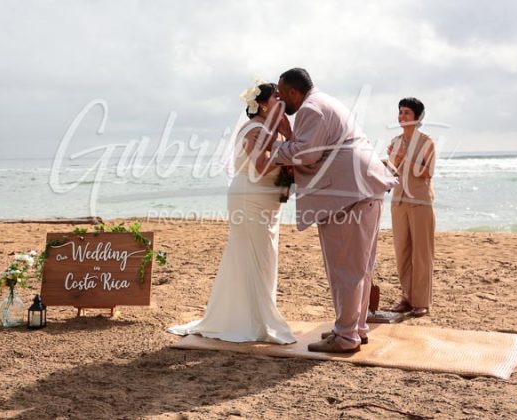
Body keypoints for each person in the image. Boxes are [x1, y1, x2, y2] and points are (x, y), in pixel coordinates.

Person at [273, 68, 397, 353]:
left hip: (347, 194)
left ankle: (345, 336)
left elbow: (307, 154)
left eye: (281, 94)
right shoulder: (326, 102)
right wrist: (288, 137)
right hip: (365, 187)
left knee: (345, 268)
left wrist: (273, 148)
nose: (279, 100)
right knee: (360, 267)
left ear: (293, 92)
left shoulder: (310, 108)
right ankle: (355, 328)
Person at [168, 82, 296, 344]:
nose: (281, 101)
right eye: (276, 97)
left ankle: (251, 317)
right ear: (263, 105)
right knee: (253, 256)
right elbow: (260, 167)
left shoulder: (270, 129)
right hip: (250, 199)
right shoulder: (255, 129)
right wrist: (283, 139)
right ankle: (252, 321)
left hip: (265, 201)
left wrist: (288, 137)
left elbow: (282, 162)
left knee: (262, 257)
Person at [386, 97, 436, 318]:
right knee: (402, 252)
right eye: (400, 112)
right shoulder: (395, 141)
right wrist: (392, 160)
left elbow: (427, 172)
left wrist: (404, 159)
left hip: (420, 201)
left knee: (422, 253)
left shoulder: (427, 142)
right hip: (399, 201)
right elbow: (391, 172)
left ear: (417, 117)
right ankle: (407, 297)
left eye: (407, 112)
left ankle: (421, 302)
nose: (402, 116)